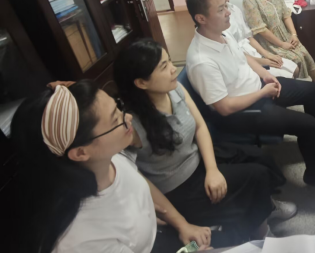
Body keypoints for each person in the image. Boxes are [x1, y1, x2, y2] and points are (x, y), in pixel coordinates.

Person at [114, 39, 294, 247]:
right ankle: (262, 234)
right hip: (180, 186)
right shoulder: (131, 125)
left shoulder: (174, 89)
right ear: (141, 82)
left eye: (170, 61)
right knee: (256, 176)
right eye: (164, 67)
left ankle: (265, 206)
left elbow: (199, 126)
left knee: (260, 157)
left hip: (198, 158)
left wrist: (212, 170)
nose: (173, 69)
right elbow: (135, 178)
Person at [185, 0, 315, 193]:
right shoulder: (202, 61)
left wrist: (265, 75)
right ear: (201, 18)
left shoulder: (221, 34)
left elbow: (243, 57)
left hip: (258, 87)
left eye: (225, 6)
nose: (228, 12)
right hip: (243, 111)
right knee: (308, 124)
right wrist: (262, 93)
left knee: (313, 90)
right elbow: (224, 108)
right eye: (220, 9)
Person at [10, 80, 209, 253]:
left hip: (162, 236)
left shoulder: (109, 158)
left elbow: (137, 179)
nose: (128, 118)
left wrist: (182, 224)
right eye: (116, 120)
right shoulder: (81, 239)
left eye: (118, 107)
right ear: (80, 152)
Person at [204, 0, 298, 78]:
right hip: (243, 64)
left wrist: (266, 54)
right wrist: (262, 62)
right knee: (288, 76)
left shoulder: (234, 9)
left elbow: (248, 37)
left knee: (295, 69)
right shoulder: (215, 21)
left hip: (254, 53)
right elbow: (233, 53)